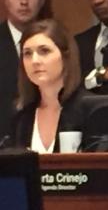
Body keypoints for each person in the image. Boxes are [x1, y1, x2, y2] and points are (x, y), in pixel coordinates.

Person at [12, 19, 85, 153]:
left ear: (66, 56)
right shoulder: (22, 117)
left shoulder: (88, 110)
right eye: (27, 53)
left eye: (44, 51)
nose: (35, 61)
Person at [0, 0, 46, 143]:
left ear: (41, 0)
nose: (24, 1)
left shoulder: (54, 43)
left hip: (43, 141)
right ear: (6, 0)